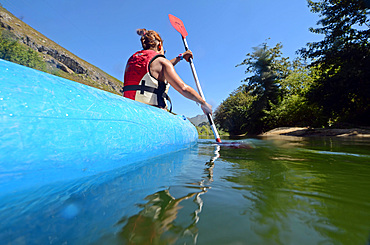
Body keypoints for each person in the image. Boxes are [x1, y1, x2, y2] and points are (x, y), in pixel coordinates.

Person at [123, 28, 212, 115]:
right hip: (153, 115)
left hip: (129, 112)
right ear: (159, 46)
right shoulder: (161, 62)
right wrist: (203, 103)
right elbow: (183, 88)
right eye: (164, 51)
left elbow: (157, 69)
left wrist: (180, 57)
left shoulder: (132, 60)